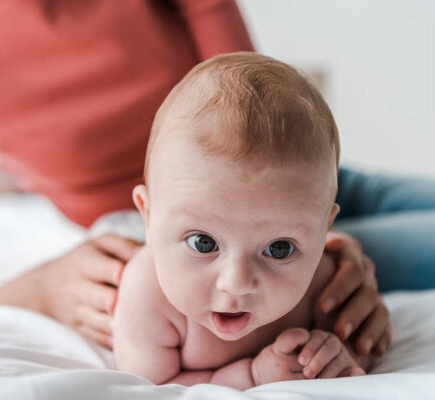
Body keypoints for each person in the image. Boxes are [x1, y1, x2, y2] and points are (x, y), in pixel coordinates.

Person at [0, 0, 388, 353]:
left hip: (300, 197)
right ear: (144, 208)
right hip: (225, 240)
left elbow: (251, 83)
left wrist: (302, 243)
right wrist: (43, 290)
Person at [114, 52, 373, 389]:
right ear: (147, 217)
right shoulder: (147, 294)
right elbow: (151, 387)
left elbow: (364, 349)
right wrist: (250, 376)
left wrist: (337, 354)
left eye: (279, 249)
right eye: (202, 243)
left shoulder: (325, 284)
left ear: (324, 231)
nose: (236, 282)